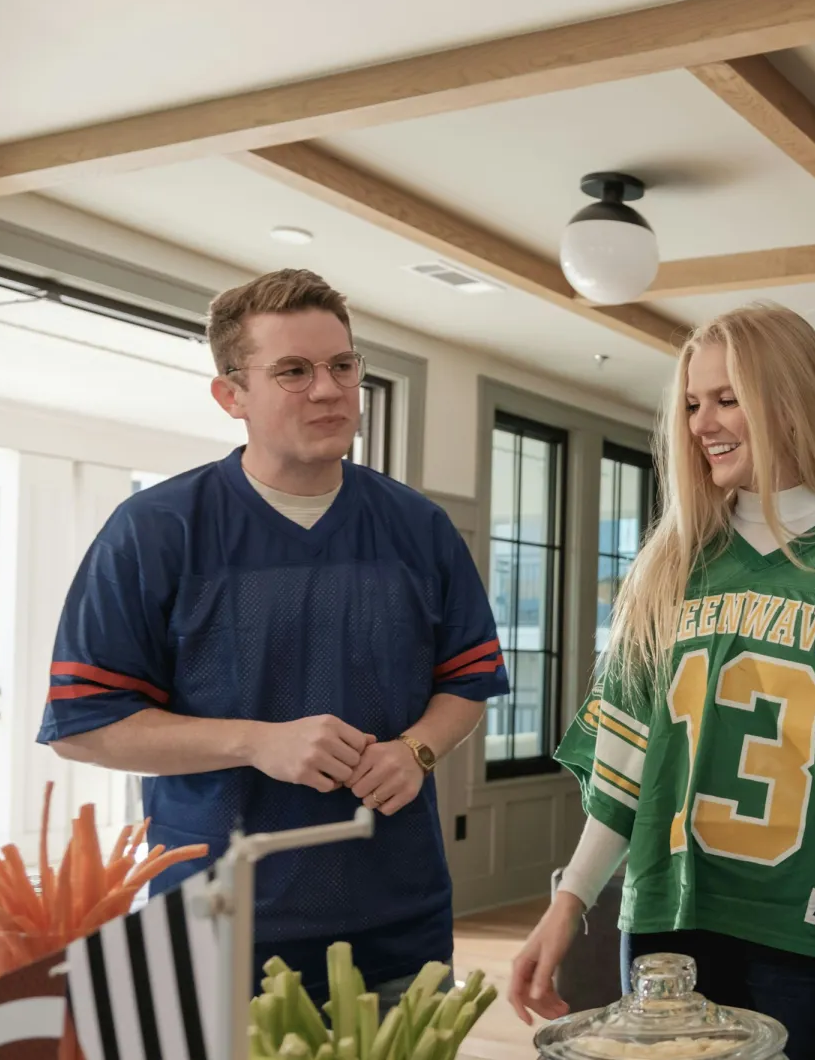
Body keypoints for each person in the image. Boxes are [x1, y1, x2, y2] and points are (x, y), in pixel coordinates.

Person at [506, 305, 815, 1060]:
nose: (703, 423)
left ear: (789, 400)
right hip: (670, 921)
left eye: (727, 398)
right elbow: (627, 764)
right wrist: (569, 900)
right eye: (693, 403)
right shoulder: (667, 563)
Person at [40, 269, 507, 1009]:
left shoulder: (420, 529)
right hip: (215, 927)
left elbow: (467, 681)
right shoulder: (156, 531)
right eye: (293, 371)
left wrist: (417, 749)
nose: (328, 389)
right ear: (232, 396)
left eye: (342, 366)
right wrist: (256, 741)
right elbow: (85, 728)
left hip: (398, 926)